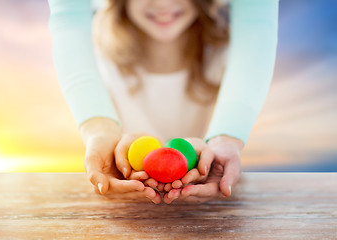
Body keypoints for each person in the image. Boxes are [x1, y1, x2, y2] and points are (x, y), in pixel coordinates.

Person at [48, 0, 279, 204]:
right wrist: (99, 132)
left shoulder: (229, 61)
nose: (162, 3)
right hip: (131, 207)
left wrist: (226, 140)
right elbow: (67, 17)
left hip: (203, 208)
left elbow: (257, 20)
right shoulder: (99, 65)